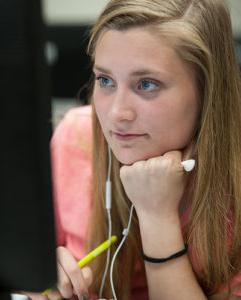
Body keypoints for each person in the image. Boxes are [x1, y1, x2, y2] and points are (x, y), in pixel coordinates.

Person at [26, 0, 241, 299]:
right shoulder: (76, 137)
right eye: (105, 80)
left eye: (147, 84)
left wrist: (157, 217)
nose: (117, 114)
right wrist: (40, 281)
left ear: (208, 90)